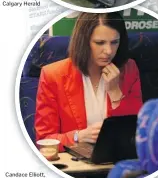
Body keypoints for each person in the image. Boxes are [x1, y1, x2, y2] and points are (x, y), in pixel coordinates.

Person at [35, 12, 143, 150]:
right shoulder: (52, 75)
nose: (109, 51)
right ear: (84, 42)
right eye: (100, 43)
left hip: (118, 160)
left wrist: (115, 91)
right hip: (75, 165)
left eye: (114, 42)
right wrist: (77, 137)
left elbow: (138, 132)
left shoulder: (129, 69)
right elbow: (44, 140)